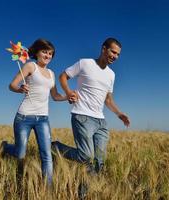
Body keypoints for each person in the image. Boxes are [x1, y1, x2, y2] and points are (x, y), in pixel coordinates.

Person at [52, 37, 130, 175]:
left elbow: (108, 100)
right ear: (104, 49)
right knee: (86, 156)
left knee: (100, 162)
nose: (115, 56)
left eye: (118, 54)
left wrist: (120, 114)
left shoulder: (111, 75)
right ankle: (55, 147)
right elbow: (63, 76)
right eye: (113, 52)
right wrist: (69, 92)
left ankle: (87, 191)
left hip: (101, 121)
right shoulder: (85, 63)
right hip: (82, 117)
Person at [2, 39, 67, 187]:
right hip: (24, 117)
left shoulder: (51, 73)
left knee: (46, 155)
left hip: (43, 119)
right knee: (20, 153)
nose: (47, 55)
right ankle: (5, 147)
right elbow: (11, 85)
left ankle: (47, 190)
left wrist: (67, 97)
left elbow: (55, 96)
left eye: (50, 53)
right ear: (37, 52)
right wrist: (20, 89)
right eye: (44, 52)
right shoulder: (30, 66)